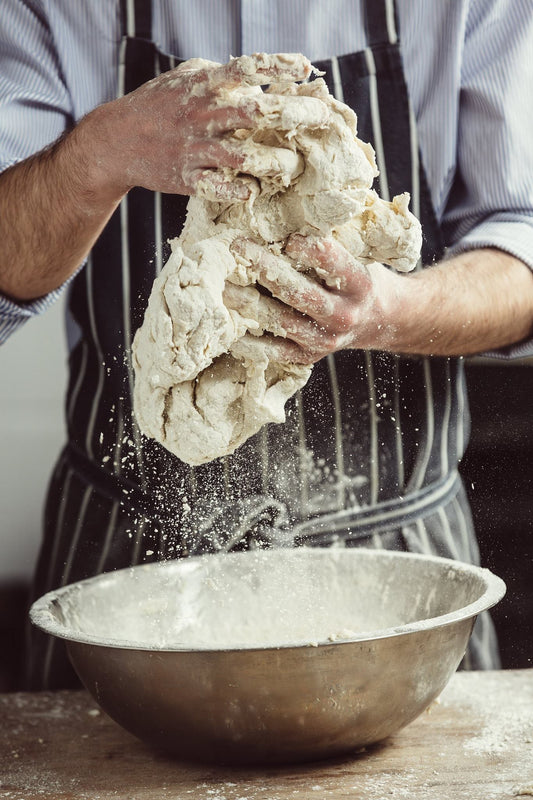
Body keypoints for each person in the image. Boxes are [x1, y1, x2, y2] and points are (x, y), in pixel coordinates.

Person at [1, 0, 532, 688]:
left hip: (399, 575)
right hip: (126, 566)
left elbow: (522, 248)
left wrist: (384, 311)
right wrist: (94, 156)